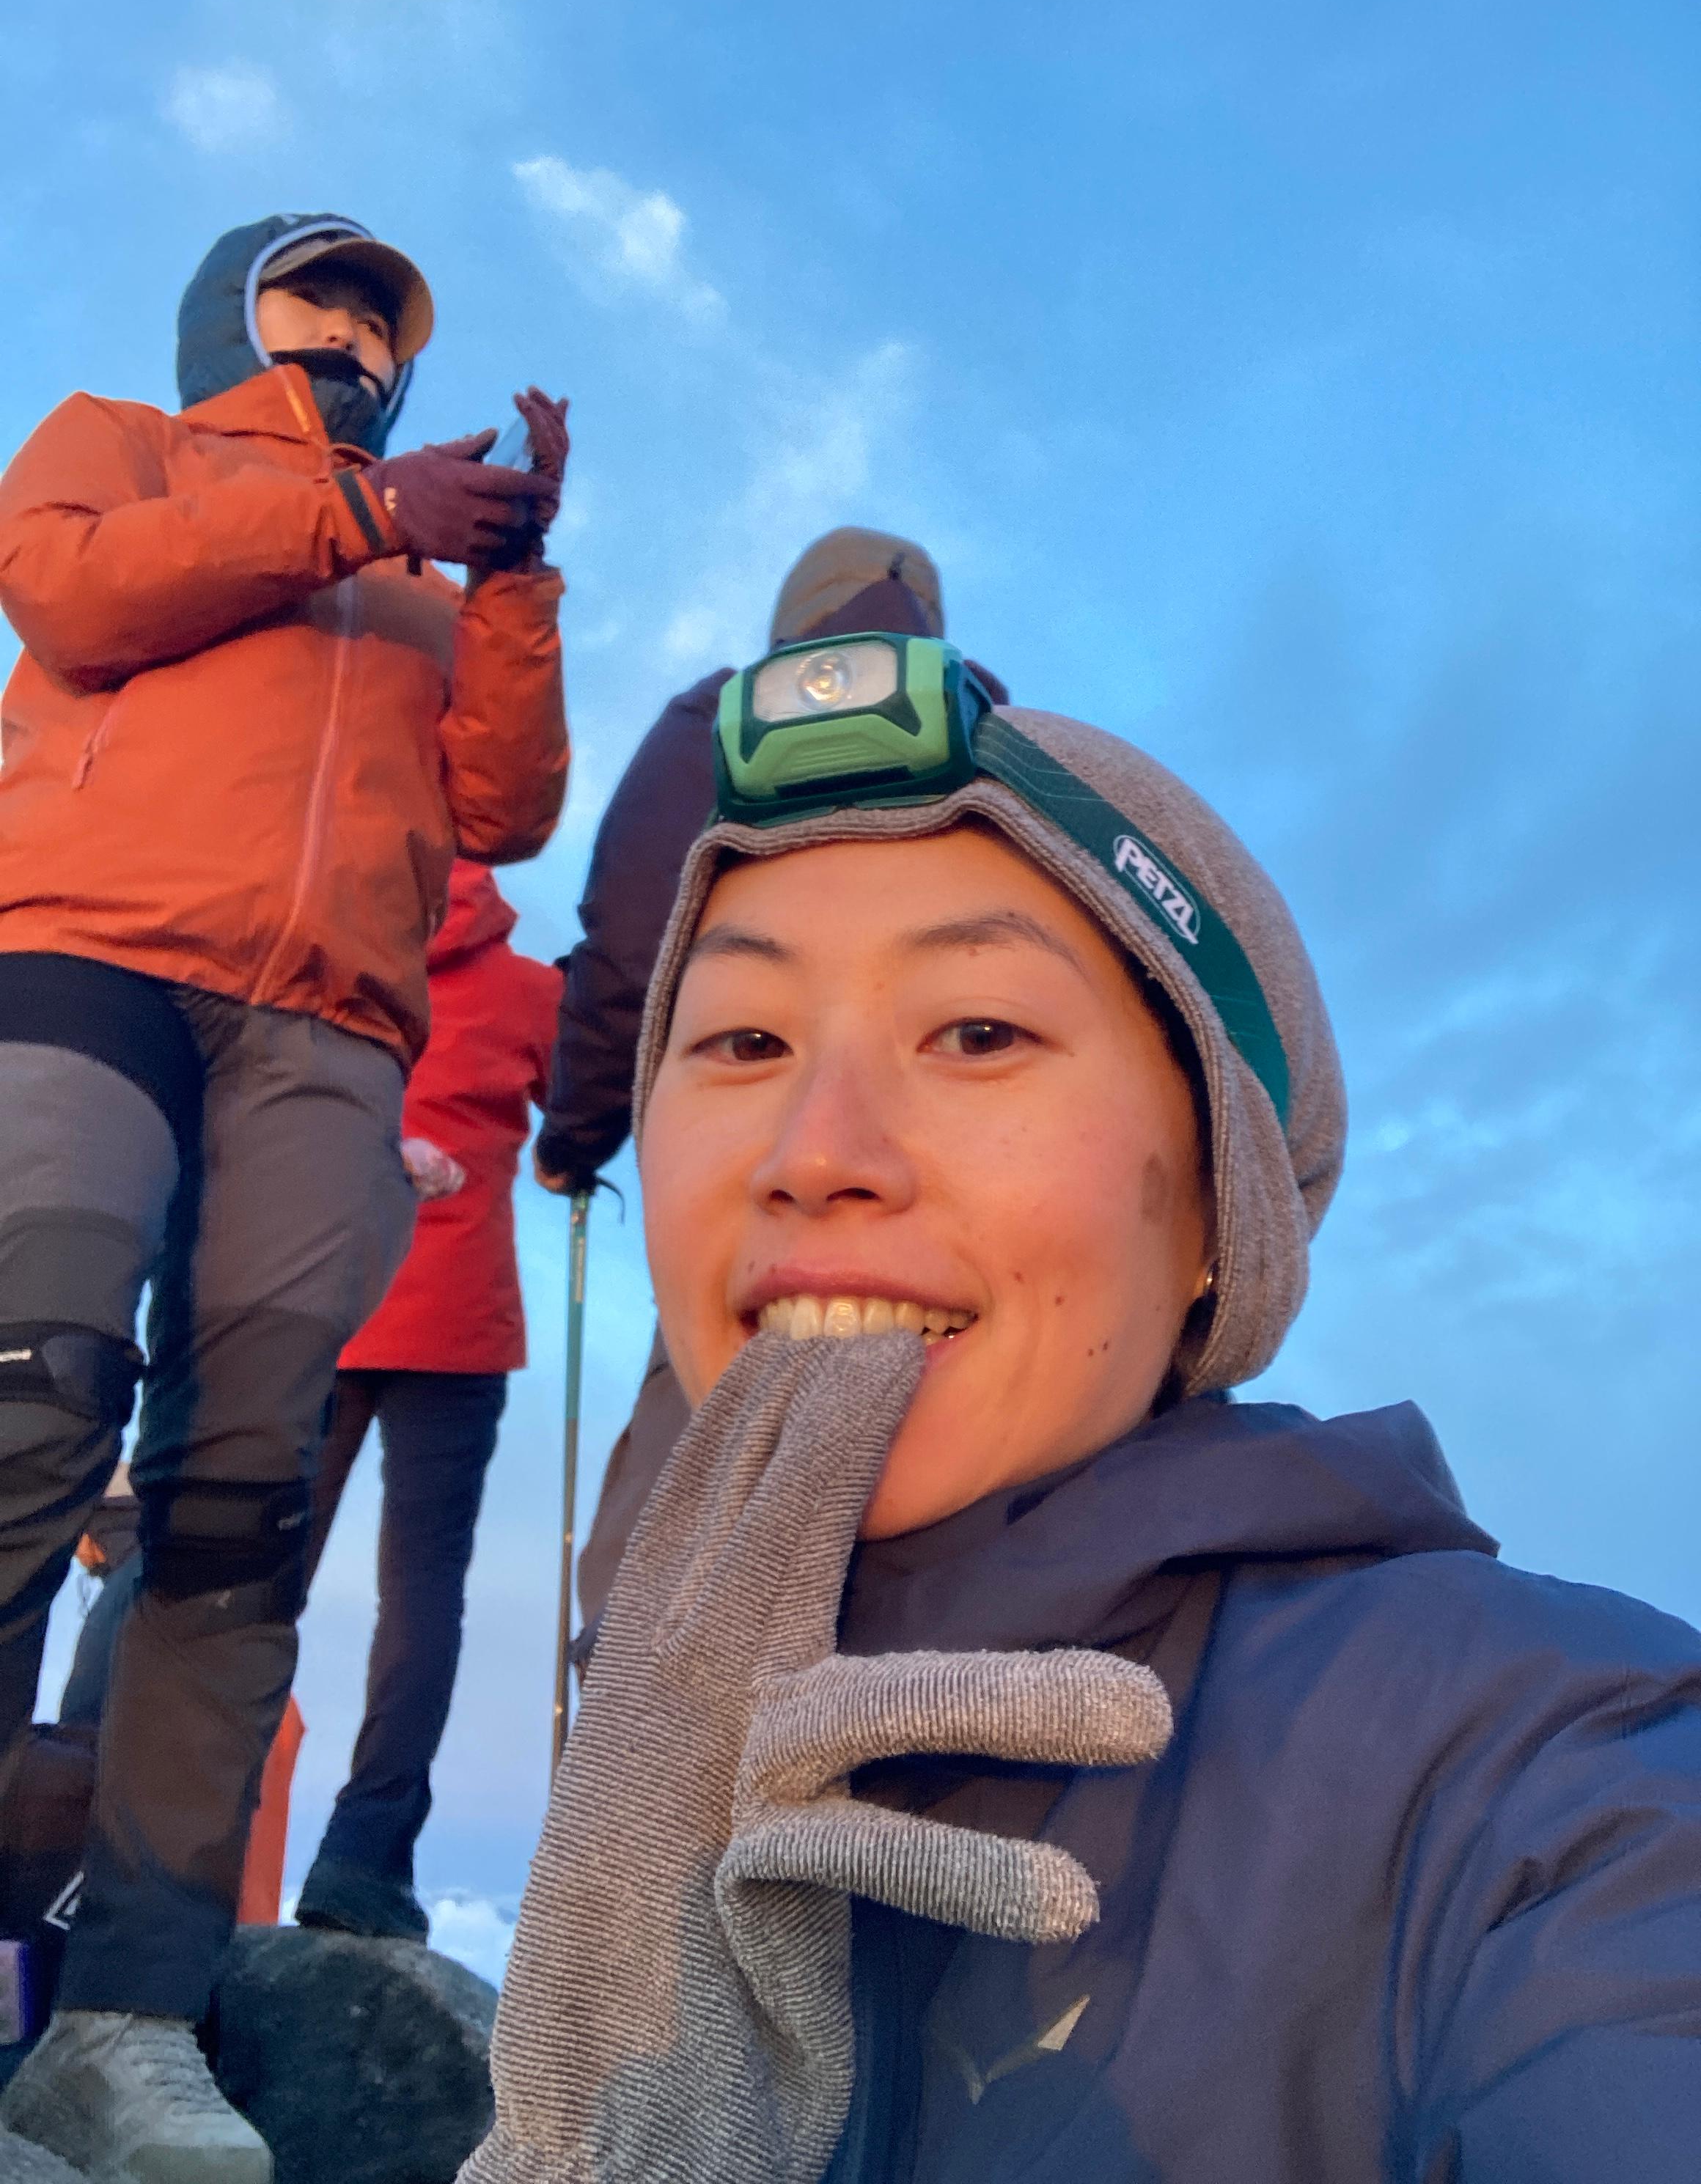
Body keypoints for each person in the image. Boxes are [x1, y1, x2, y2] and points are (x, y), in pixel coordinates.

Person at [469, 644, 1701, 2181]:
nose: (814, 1153)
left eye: (978, 1032)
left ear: (1215, 1210)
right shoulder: (652, 1783)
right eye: (743, 1041)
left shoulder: (1547, 1765)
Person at [0, 212, 569, 2180]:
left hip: (329, 1018)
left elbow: (503, 810)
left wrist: (512, 582)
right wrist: (356, 512)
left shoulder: (419, 579)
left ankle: (126, 2021)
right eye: (313, 298)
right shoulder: (122, 443)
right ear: (229, 319)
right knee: (26, 1394)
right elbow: (68, 597)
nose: (349, 337)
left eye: (377, 320)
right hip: (82, 948)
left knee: (239, 1507)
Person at [534, 527, 1007, 1626]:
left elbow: (630, 949)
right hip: (950, 1212)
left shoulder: (717, 722)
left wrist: (575, 1135)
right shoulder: (998, 735)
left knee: (685, 1500)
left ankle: (644, 1701)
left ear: (795, 618)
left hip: (757, 1192)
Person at [294, 858, 563, 1944]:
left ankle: (183, 1843)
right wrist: (560, 1154)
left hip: (326, 1294)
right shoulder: (530, 990)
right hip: (457, 1321)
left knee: (261, 1573)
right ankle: (363, 1858)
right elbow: (585, 1116)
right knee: (422, 1594)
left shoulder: (339, 961)